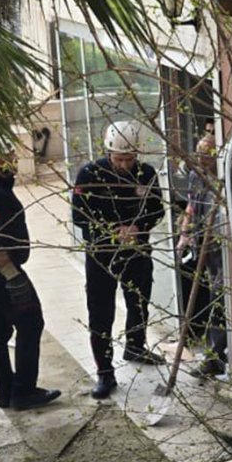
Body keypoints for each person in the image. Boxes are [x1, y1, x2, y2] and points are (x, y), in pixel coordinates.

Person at [72, 121, 166, 399]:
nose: (124, 164)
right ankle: (104, 372)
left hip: (137, 250)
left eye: (129, 159)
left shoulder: (146, 174)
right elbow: (80, 216)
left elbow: (156, 209)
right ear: (109, 153)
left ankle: (136, 346)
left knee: (139, 301)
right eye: (119, 159)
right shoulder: (90, 174)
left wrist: (138, 227)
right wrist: (112, 230)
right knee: (101, 313)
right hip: (102, 253)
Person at [0, 149, 60, 410]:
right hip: (1, 274)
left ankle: (6, 392)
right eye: (8, 158)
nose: (13, 162)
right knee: (30, 322)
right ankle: (22, 392)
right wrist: (12, 277)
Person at [177, 132, 227, 378]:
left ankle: (215, 356)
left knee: (219, 299)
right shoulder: (197, 175)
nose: (202, 159)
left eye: (208, 154)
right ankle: (215, 356)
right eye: (199, 153)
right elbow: (191, 205)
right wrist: (185, 232)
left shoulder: (226, 176)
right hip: (205, 246)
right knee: (212, 297)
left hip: (223, 245)